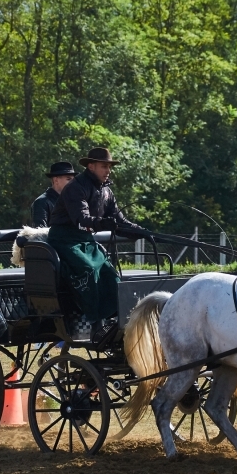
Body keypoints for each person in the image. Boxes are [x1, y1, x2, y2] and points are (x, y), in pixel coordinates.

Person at [48, 147, 146, 344]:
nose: (108, 170)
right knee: (89, 269)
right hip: (64, 240)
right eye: (104, 166)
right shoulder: (76, 187)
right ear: (91, 166)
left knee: (109, 272)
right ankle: (96, 324)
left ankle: (119, 319)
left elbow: (120, 221)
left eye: (109, 166)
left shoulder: (106, 191)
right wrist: (101, 223)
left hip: (85, 240)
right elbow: (81, 218)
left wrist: (141, 232)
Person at [30, 162, 76, 227]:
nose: (73, 183)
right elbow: (39, 232)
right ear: (56, 180)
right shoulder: (42, 202)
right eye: (68, 179)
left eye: (73, 179)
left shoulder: (73, 201)